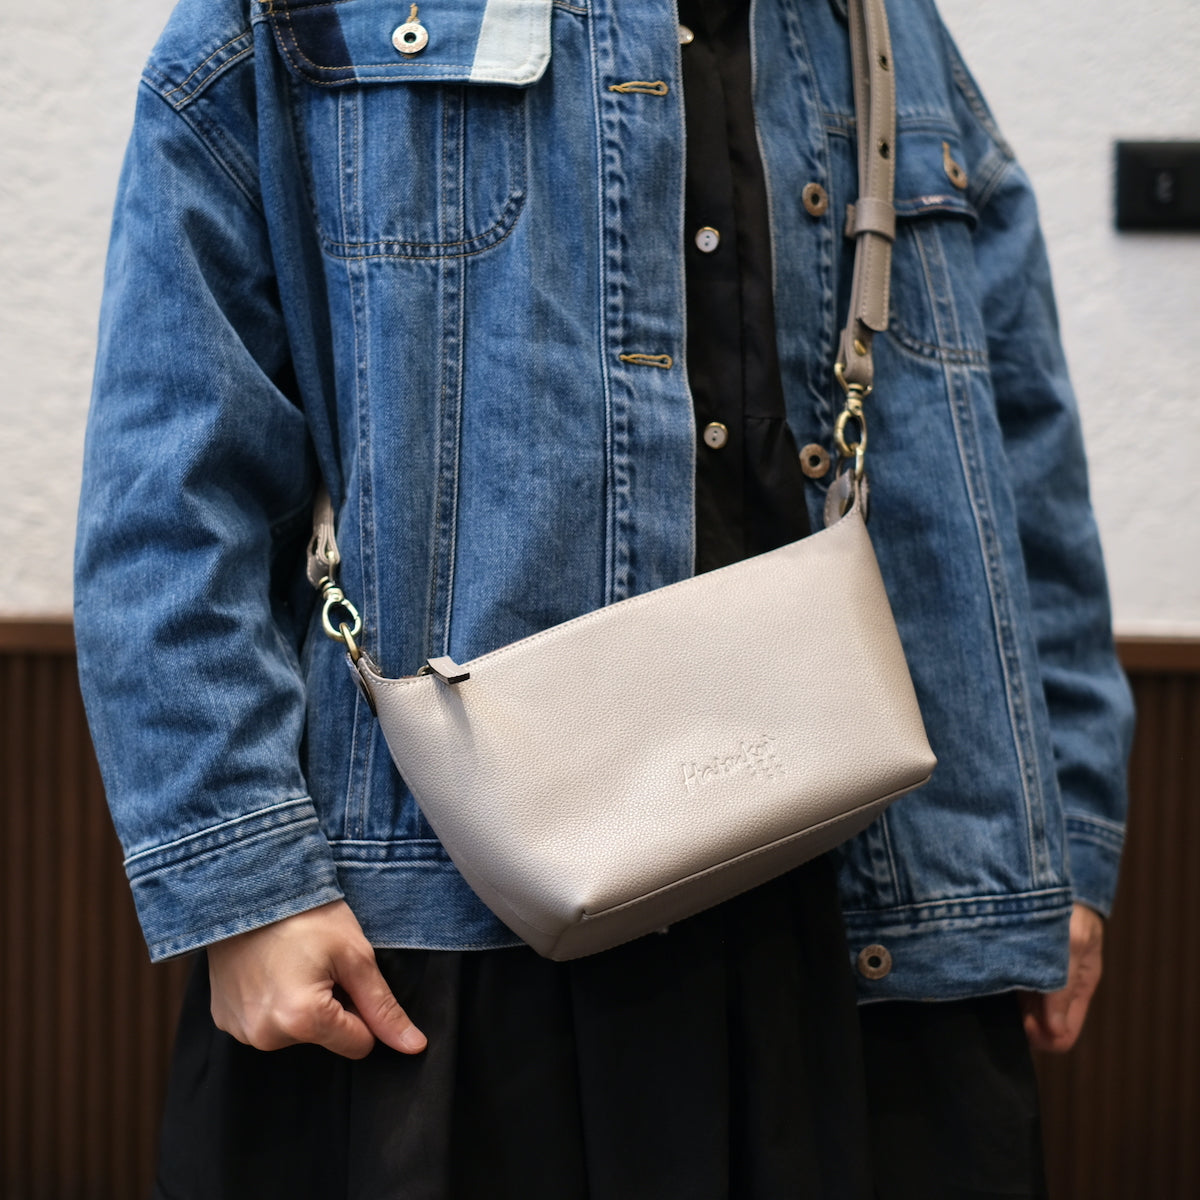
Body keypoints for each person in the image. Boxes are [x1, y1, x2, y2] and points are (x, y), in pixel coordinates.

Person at [75, 0, 1133, 1196]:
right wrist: (245, 889)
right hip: (444, 933)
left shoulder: (882, 24)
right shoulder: (300, 18)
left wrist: (1059, 837)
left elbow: (1020, 459)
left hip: (881, 923)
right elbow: (175, 481)